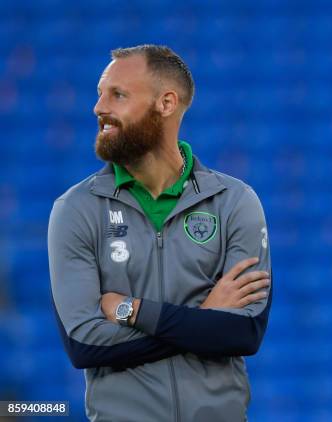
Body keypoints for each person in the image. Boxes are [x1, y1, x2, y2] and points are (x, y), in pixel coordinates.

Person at [48, 45, 272, 422]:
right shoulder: (75, 209)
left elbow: (243, 332)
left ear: (166, 103)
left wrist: (132, 310)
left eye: (117, 94)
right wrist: (203, 318)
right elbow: (84, 344)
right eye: (100, 93)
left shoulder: (234, 201)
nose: (98, 107)